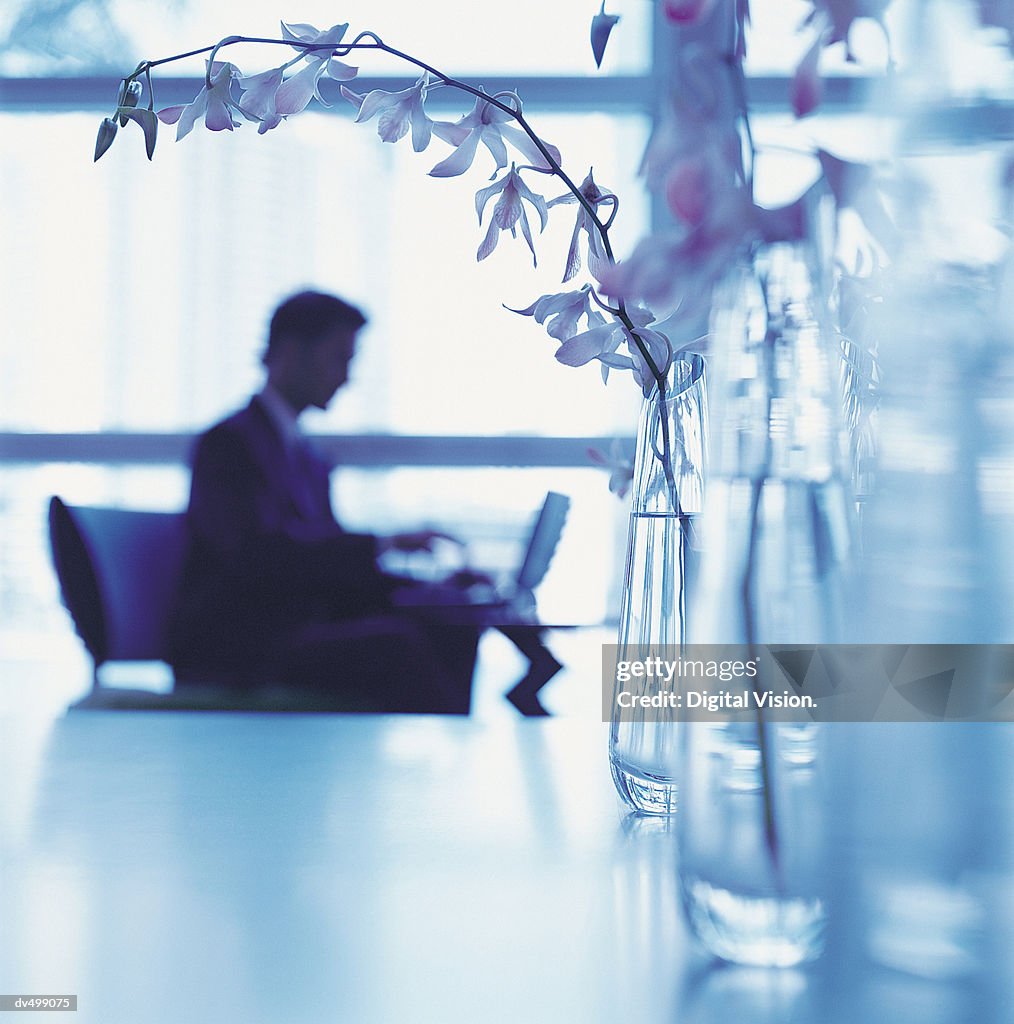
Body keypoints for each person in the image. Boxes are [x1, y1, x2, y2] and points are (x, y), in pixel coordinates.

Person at [167, 290, 479, 712]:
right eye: (340, 360)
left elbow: (325, 562)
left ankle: (453, 755)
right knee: (395, 646)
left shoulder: (308, 456)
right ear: (292, 352)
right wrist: (384, 544)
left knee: (451, 621)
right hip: (237, 641)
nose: (346, 378)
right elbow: (256, 557)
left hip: (291, 627)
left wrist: (427, 591)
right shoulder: (230, 445)